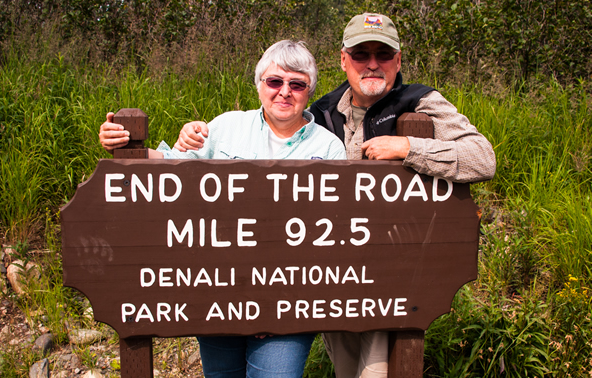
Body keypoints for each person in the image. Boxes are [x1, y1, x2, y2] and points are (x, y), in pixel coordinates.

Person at [174, 13, 496, 378]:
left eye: (383, 54)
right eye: (361, 54)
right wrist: (192, 139)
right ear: (344, 60)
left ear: (398, 60)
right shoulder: (321, 113)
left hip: (393, 271)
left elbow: (482, 159)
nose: (372, 63)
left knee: (378, 372)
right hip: (332, 275)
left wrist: (409, 146)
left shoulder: (420, 102)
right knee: (345, 370)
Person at [99, 40, 346, 377]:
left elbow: (330, 238)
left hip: (288, 303)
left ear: (308, 90)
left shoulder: (329, 147)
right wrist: (127, 146)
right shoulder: (226, 127)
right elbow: (173, 167)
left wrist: (272, 306)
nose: (284, 92)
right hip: (218, 292)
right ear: (259, 85)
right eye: (275, 82)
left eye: (297, 84)